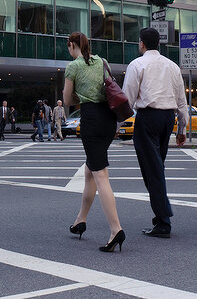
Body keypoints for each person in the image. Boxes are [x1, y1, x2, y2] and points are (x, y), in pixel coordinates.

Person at [123, 27, 188, 238]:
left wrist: (116, 126)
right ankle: (161, 217)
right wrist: (182, 128)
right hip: (168, 119)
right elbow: (181, 101)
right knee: (157, 166)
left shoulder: (137, 64)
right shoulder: (172, 66)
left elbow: (128, 98)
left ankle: (163, 219)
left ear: (142, 43)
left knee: (153, 170)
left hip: (148, 118)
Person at [63, 31, 125, 253]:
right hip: (108, 120)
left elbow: (68, 99)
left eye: (68, 46)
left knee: (100, 175)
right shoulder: (103, 61)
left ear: (71, 45)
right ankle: (81, 219)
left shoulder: (74, 67)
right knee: (91, 170)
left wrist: (81, 94)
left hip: (91, 119)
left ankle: (115, 229)